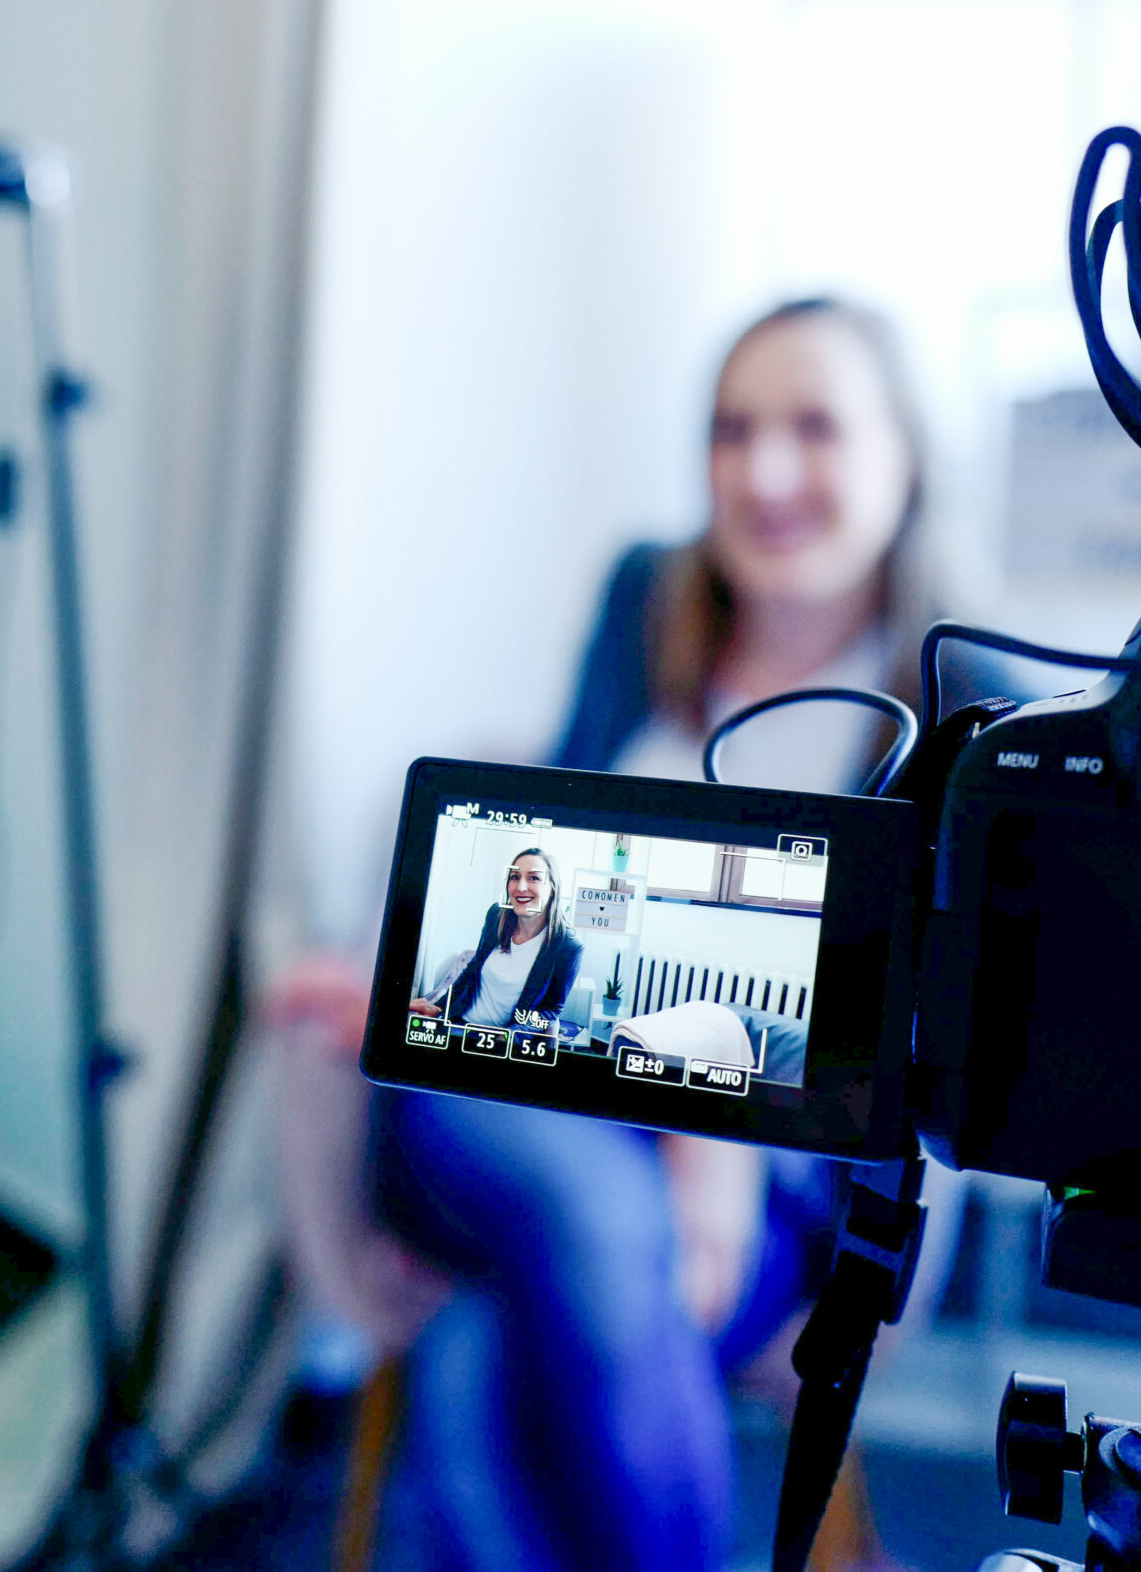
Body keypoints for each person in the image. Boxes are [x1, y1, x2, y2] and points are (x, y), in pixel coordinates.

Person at [368, 296, 953, 1572]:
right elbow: (541, 867)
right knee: (592, 1210)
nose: (766, 472)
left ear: (904, 457)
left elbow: (947, 1034)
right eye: (732, 431)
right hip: (520, 1100)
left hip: (781, 1180)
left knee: (480, 1357)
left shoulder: (964, 694)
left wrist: (722, 1126)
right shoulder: (648, 599)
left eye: (815, 428)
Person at [410, 848, 585, 1032]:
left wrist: (511, 1037)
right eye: (515, 877)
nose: (521, 887)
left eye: (534, 878)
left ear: (552, 888)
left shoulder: (568, 947)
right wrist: (439, 1007)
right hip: (458, 1023)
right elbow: (472, 970)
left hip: (501, 1039)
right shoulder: (496, 915)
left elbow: (549, 1011)